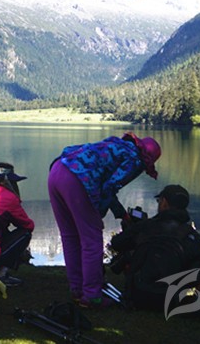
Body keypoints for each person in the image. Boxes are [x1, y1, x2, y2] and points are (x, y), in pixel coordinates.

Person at [47, 132, 161, 307]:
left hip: (57, 170)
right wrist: (96, 213)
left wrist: (121, 213)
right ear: (147, 159)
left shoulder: (117, 145)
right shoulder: (134, 160)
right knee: (92, 240)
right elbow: (110, 186)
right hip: (77, 179)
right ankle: (92, 295)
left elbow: (105, 183)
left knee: (70, 236)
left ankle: (77, 290)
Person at [107, 184, 200, 310]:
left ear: (164, 203)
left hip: (138, 295)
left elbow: (116, 243)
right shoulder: (192, 236)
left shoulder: (145, 227)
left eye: (159, 201)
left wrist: (131, 228)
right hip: (172, 300)